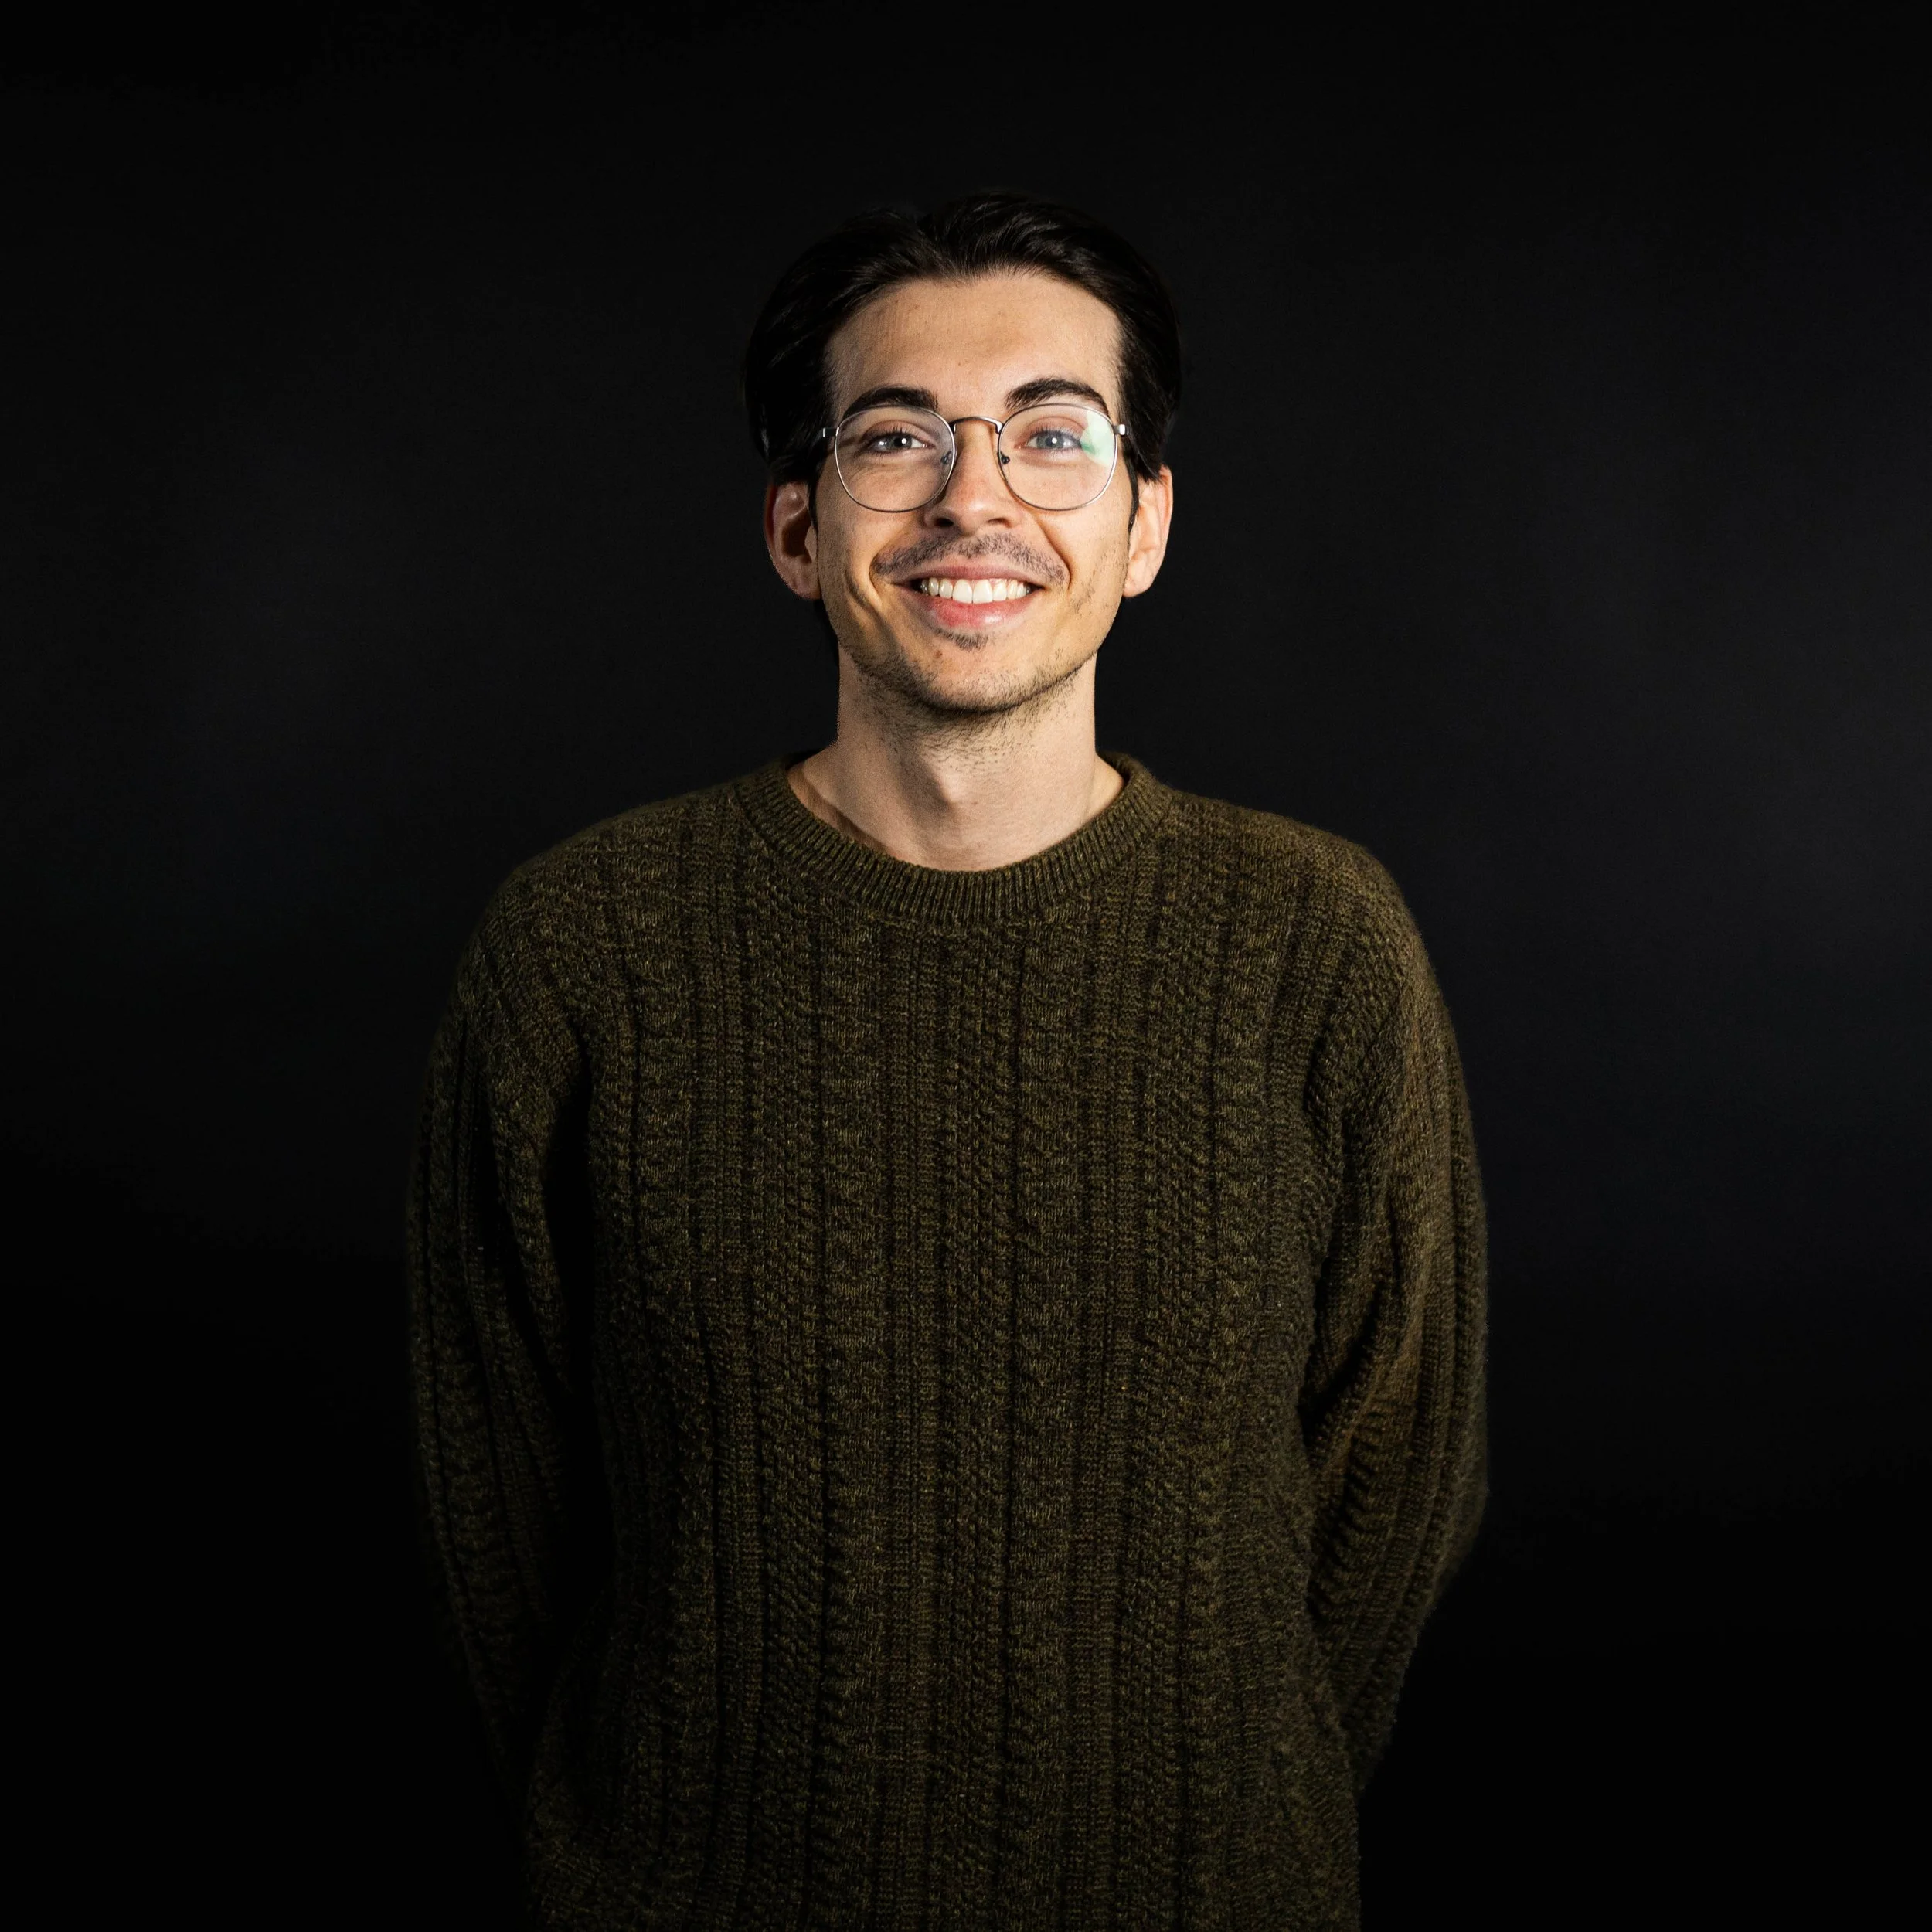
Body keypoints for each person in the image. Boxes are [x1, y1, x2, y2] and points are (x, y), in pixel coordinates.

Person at [410, 192, 1487, 1930]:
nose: (970, 498)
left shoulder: (1314, 941)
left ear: (1141, 524)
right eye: (895, 435)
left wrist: (1206, 1822)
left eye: (1049, 435)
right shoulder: (581, 949)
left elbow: (1391, 1486)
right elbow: (496, 1510)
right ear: (793, 523)